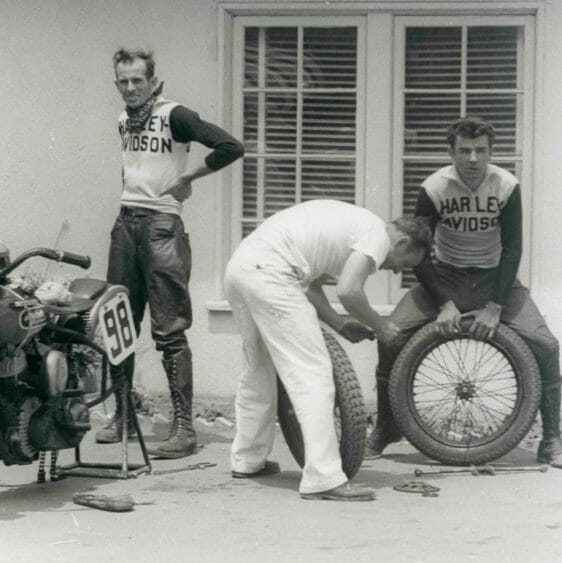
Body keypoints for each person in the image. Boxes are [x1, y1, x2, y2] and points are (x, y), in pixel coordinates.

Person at [366, 117, 562, 468]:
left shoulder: (506, 186)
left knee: (546, 345)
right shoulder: (434, 187)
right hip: (446, 275)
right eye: (464, 151)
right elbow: (419, 251)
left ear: (491, 152)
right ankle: (387, 426)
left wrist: (495, 306)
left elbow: (513, 248)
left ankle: (552, 438)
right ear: (451, 152)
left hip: (495, 278)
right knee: (389, 335)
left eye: (480, 151)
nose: (472, 159)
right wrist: (444, 303)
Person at [224, 199, 432, 501]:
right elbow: (349, 290)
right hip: (272, 274)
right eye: (405, 263)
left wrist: (338, 323)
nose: (397, 271)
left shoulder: (356, 224)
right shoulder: (376, 234)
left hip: (241, 269)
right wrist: (381, 326)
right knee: (313, 375)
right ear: (401, 241)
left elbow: (310, 286)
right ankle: (323, 478)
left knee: (258, 369)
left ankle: (247, 460)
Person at [96, 48, 244, 458]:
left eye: (137, 81)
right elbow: (135, 168)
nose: (129, 88)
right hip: (126, 226)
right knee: (118, 323)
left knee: (169, 329)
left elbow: (230, 146)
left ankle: (183, 428)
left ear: (153, 83)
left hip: (162, 227)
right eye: (122, 81)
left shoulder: (174, 114)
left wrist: (190, 177)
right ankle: (123, 414)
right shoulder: (123, 119)